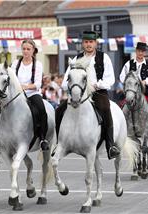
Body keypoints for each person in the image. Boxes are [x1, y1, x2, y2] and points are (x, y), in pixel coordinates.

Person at [56, 31, 119, 159]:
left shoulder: (104, 57)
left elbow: (110, 79)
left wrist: (98, 85)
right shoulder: (76, 59)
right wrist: (70, 87)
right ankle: (58, 143)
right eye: (86, 42)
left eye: (91, 42)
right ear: (83, 44)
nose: (88, 44)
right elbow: (65, 81)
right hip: (79, 93)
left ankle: (110, 145)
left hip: (98, 92)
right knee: (59, 111)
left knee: (106, 109)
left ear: (95, 43)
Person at [119, 42, 148, 138]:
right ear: (136, 51)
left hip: (145, 91)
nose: (140, 53)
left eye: (142, 51)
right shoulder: (129, 64)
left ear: (145, 53)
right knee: (120, 104)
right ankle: (119, 126)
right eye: (139, 51)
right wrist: (128, 82)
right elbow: (122, 76)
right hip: (131, 90)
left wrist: (145, 81)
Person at [11, 39, 49, 151]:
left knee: (42, 110)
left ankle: (42, 138)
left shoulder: (38, 64)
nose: (26, 51)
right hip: (17, 94)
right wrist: (17, 88)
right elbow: (12, 79)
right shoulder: (15, 63)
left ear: (33, 50)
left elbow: (37, 84)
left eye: (28, 49)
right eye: (24, 49)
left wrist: (25, 87)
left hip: (32, 94)